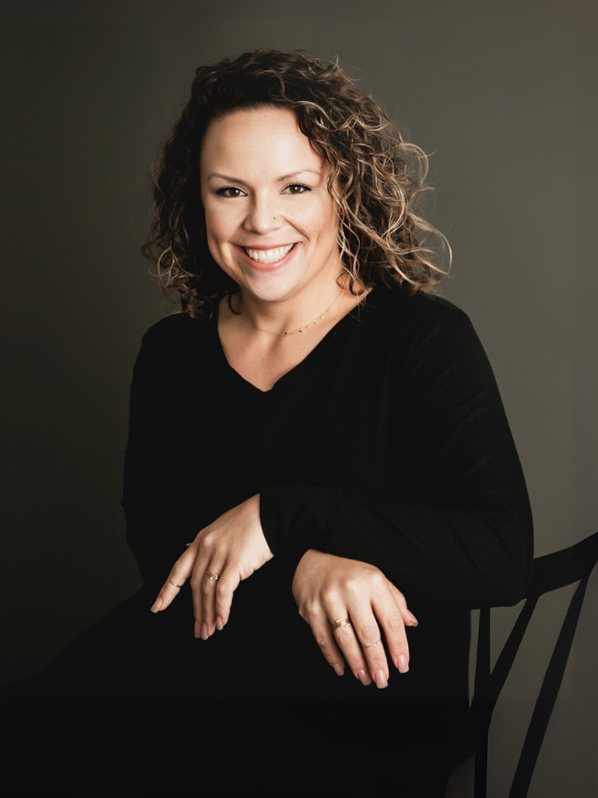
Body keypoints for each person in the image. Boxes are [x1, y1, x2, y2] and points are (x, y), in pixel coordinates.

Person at [2, 48, 533, 797]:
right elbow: (165, 554)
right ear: (197, 199)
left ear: (340, 190)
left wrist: (284, 517)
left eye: (293, 186)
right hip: (191, 674)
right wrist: (307, 566)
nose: (261, 222)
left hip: (365, 707)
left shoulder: (420, 338)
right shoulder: (172, 353)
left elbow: (500, 555)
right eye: (230, 191)